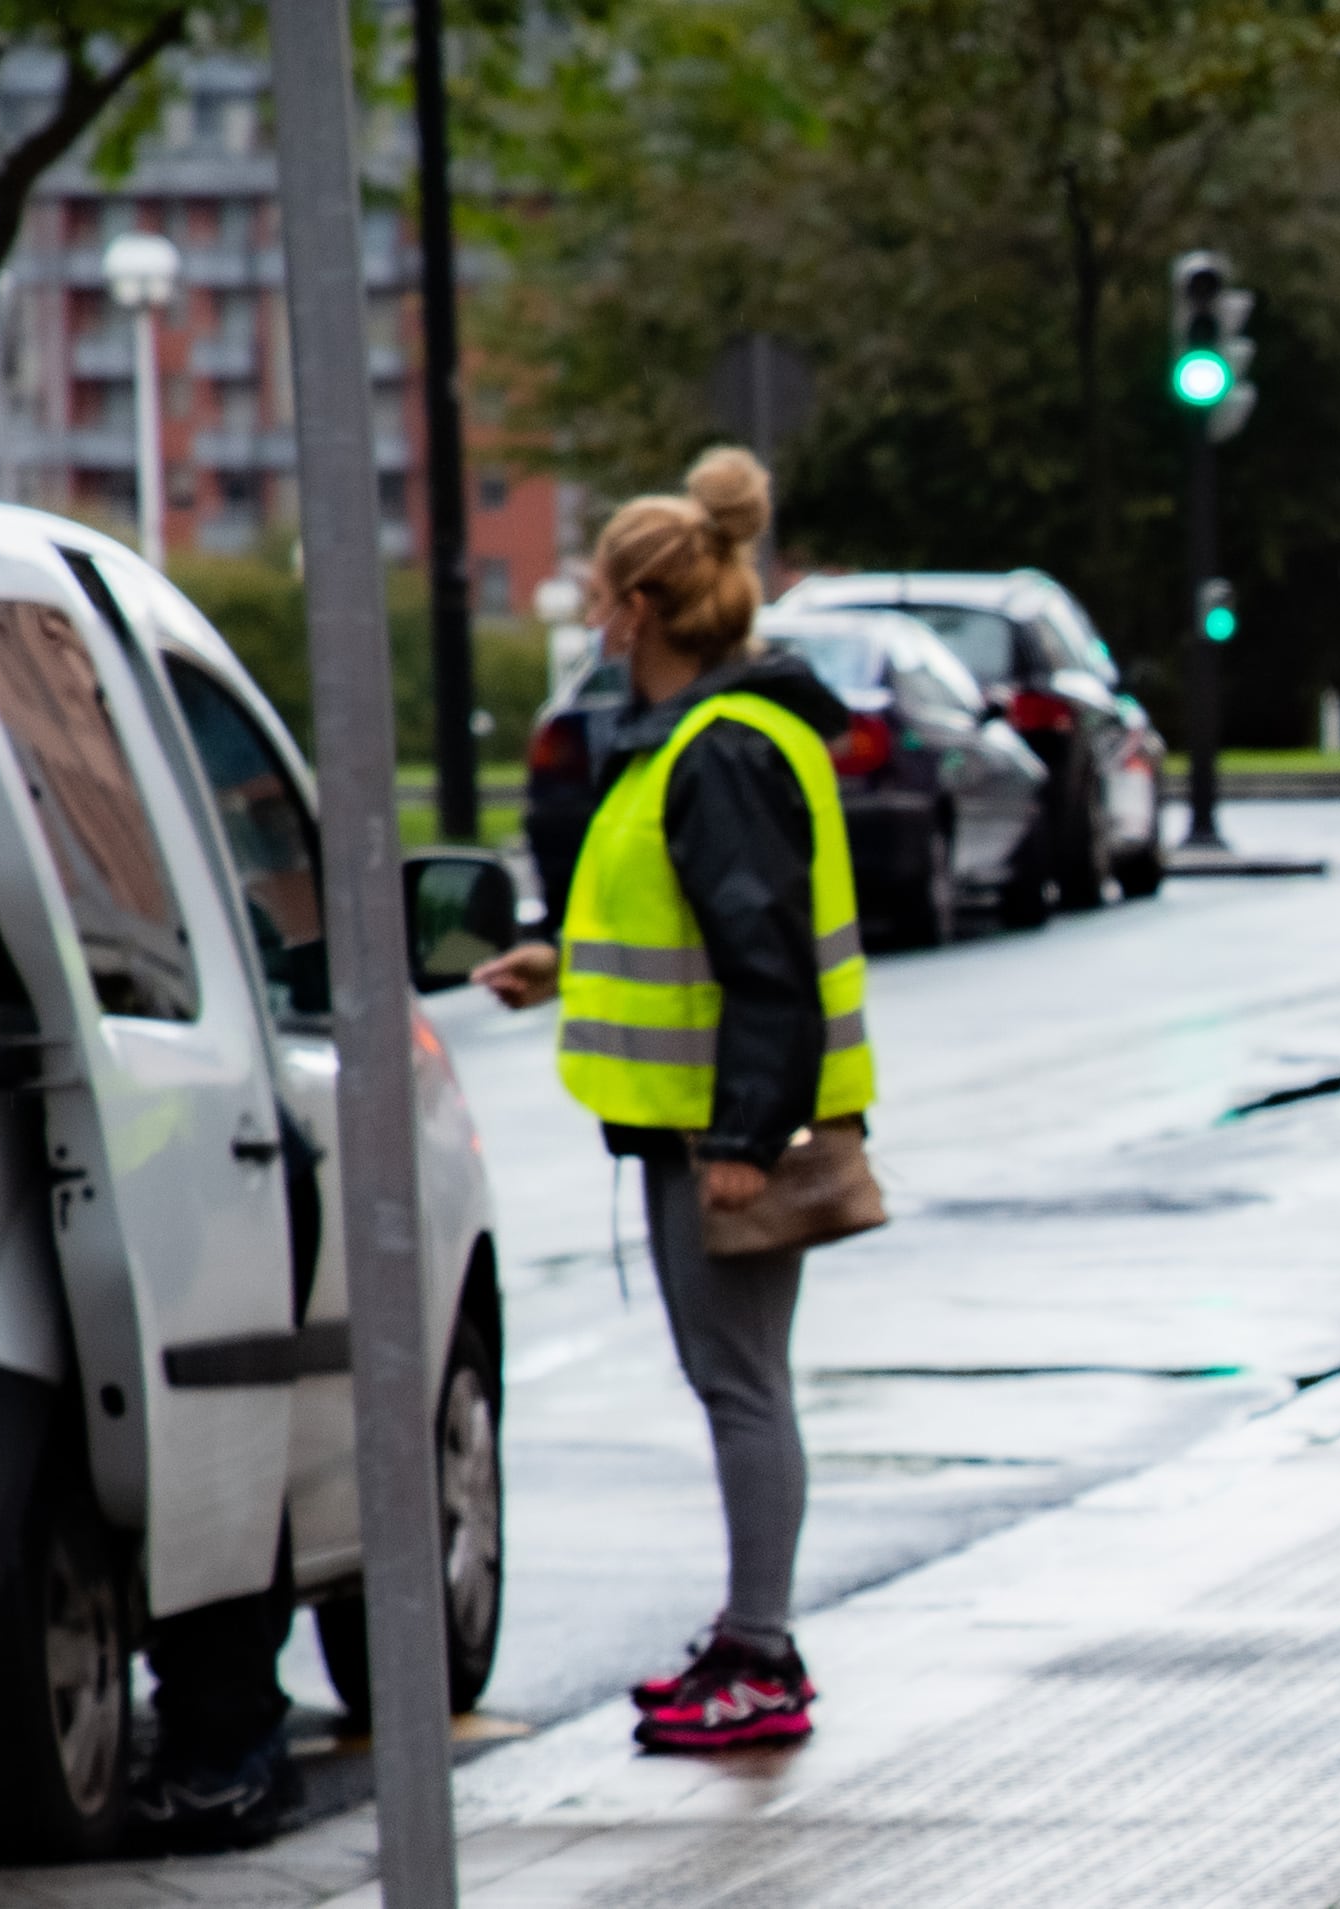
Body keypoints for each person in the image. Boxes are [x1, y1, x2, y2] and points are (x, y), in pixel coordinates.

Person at [471, 446, 871, 1753]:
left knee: (743, 1384)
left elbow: (765, 967)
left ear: (636, 608)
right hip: (702, 1122)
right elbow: (703, 933)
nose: (590, 606)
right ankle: (750, 1636)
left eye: (597, 586)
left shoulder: (718, 751)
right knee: (736, 1379)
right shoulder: (700, 739)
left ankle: (761, 1653)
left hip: (726, 1132)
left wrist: (747, 1140)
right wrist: (565, 962)